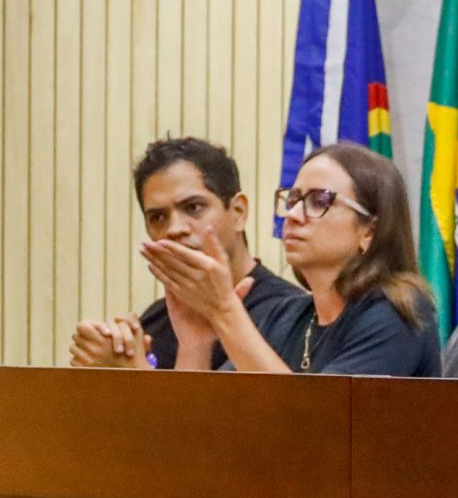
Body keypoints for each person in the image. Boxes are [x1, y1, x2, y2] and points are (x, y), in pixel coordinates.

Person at [138, 140, 441, 377]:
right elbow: (200, 426)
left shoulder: (399, 314)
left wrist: (224, 311)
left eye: (319, 201)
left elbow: (312, 425)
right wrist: (195, 344)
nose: (293, 215)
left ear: (369, 231)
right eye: (293, 200)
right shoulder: (286, 317)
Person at [70, 138, 308, 370]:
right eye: (158, 217)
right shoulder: (157, 319)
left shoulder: (290, 314)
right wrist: (106, 373)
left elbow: (265, 397)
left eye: (193, 207)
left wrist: (136, 378)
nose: (174, 229)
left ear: (238, 212)